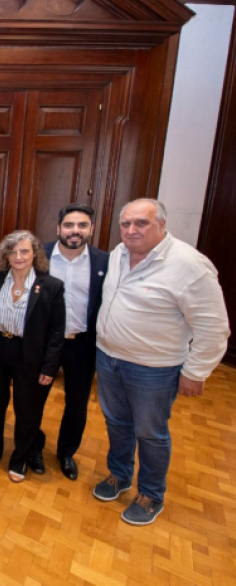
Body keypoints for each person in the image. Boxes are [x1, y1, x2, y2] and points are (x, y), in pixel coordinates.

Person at [93, 198, 229, 525]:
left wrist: (196, 372)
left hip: (153, 370)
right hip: (109, 358)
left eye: (142, 223)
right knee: (116, 423)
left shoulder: (190, 266)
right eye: (126, 224)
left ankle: (151, 494)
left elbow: (213, 327)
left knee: (150, 432)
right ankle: (119, 475)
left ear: (162, 225)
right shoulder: (118, 254)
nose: (131, 230)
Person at [0, 230, 65, 483]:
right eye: (12, 251)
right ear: (4, 255)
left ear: (35, 254)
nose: (18, 256)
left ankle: (20, 459)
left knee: (27, 411)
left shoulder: (51, 286)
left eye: (25, 251)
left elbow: (57, 331)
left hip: (29, 354)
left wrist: (50, 368)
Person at [42, 204, 108, 481]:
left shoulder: (105, 262)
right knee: (34, 398)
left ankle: (66, 453)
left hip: (82, 343)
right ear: (59, 228)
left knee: (77, 403)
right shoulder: (38, 255)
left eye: (82, 225)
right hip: (45, 342)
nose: (75, 231)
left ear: (91, 229)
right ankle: (32, 447)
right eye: (69, 225)